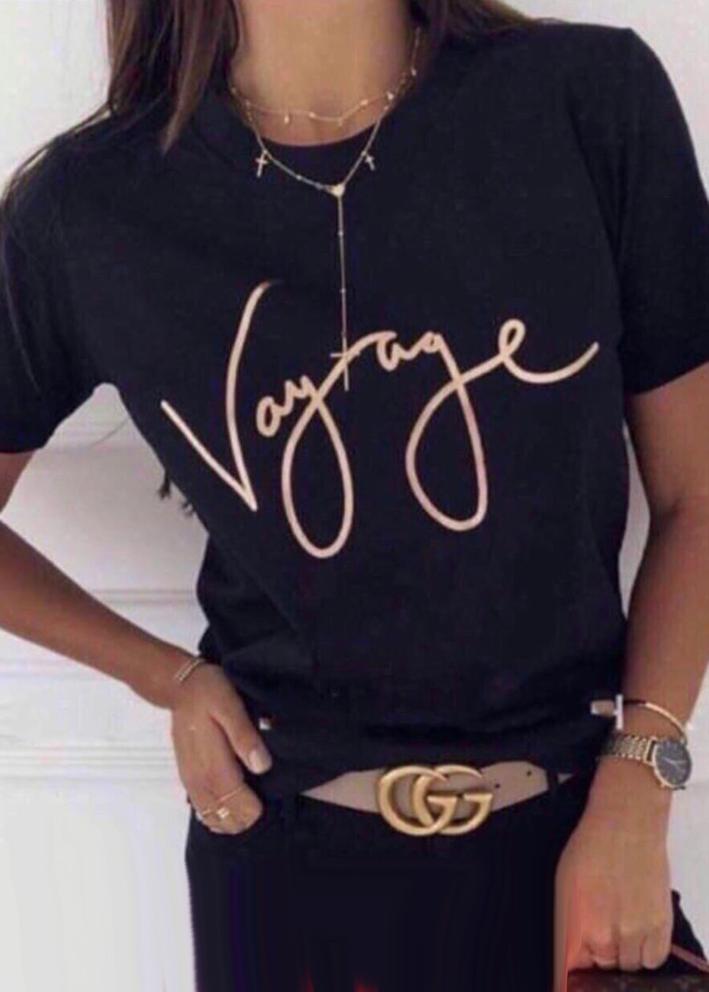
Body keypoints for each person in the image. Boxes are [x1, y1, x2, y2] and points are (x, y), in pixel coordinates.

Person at [1, 1, 709, 990]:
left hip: (577, 860)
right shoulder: (91, 206)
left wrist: (639, 781)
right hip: (282, 874)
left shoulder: (587, 101)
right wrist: (161, 674)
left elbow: (695, 494)